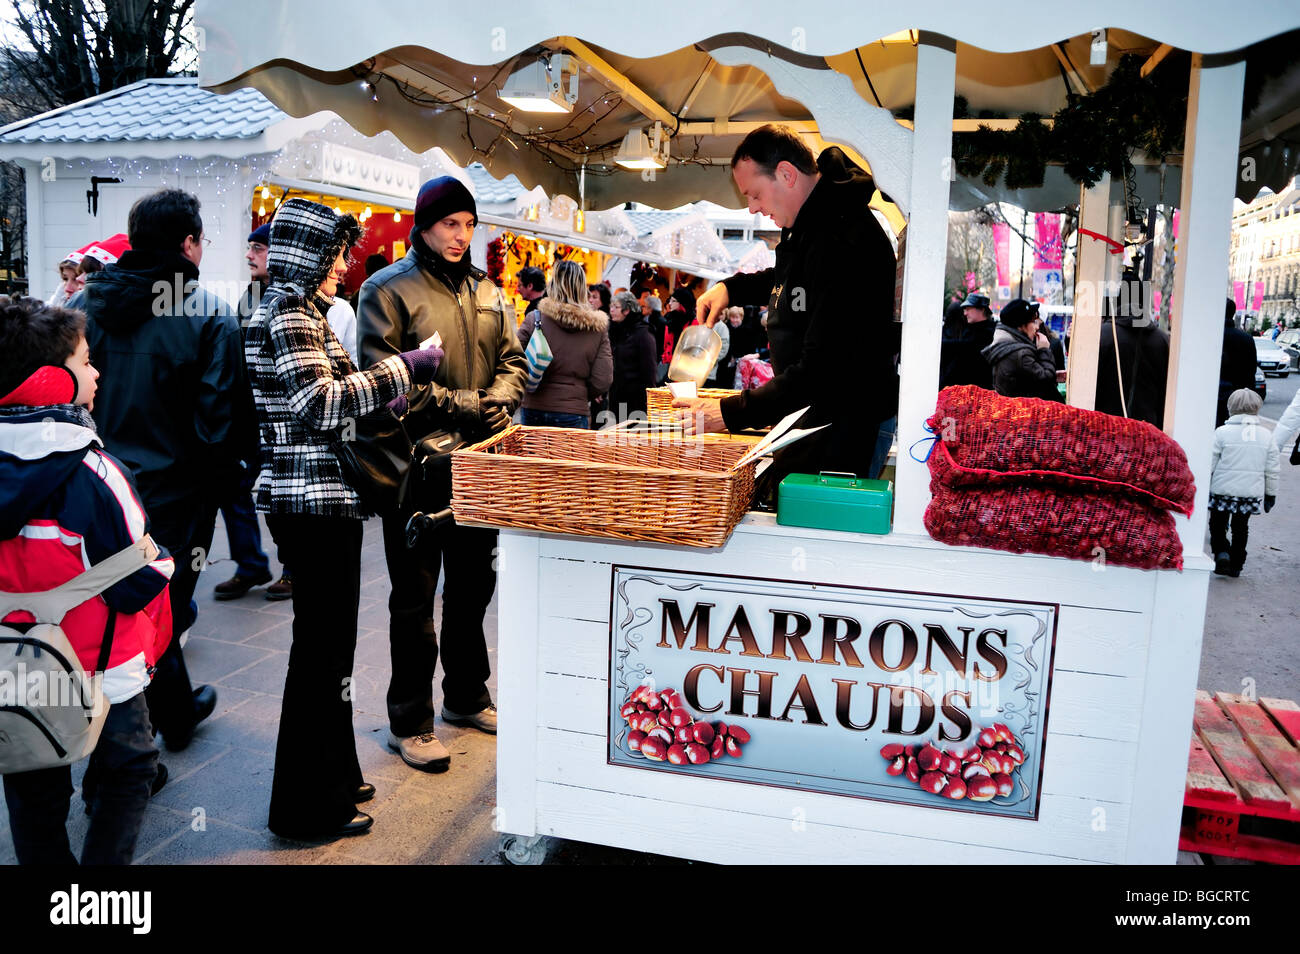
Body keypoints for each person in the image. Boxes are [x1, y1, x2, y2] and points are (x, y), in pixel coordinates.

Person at [245, 197, 443, 839]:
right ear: (308, 255)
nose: (343, 265)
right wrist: (399, 368)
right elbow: (319, 405)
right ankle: (304, 807)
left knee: (330, 654)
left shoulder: (296, 310)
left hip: (319, 500)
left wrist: (391, 388)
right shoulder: (287, 315)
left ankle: (334, 774)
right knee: (320, 655)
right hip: (310, 502)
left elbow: (338, 398)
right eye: (334, 255)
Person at [357, 176, 526, 771]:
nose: (461, 236)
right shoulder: (386, 289)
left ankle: (466, 695)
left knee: (474, 589)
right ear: (424, 225)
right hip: (417, 468)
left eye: (469, 225)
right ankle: (410, 720)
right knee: (413, 599)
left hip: (482, 464)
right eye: (450, 224)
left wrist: (500, 398)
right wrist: (469, 404)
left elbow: (514, 360)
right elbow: (387, 382)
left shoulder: (488, 290)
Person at [0, 295, 175, 864]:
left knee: (32, 778)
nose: (96, 372)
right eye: (84, 362)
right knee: (131, 765)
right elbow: (139, 576)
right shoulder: (94, 470)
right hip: (103, 661)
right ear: (52, 383)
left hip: (14, 665)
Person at [82, 188, 238, 751]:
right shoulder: (210, 314)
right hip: (175, 495)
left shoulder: (86, 308)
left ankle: (169, 714)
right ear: (187, 243)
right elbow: (218, 424)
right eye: (202, 239)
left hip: (95, 487)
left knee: (118, 608)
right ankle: (133, 749)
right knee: (158, 609)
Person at [678, 124, 900, 485]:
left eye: (755, 195)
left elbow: (822, 370)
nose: (752, 208)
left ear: (786, 174)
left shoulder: (843, 238)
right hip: (818, 413)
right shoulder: (813, 224)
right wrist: (731, 290)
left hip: (846, 422)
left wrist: (729, 412)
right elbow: (790, 280)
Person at [215, 222, 278, 602]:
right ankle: (251, 563)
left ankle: (293, 569)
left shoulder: (292, 295)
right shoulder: (250, 296)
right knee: (233, 486)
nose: (248, 255)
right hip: (249, 416)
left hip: (285, 417)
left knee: (283, 495)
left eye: (257, 247)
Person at [517, 260, 612, 428]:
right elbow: (602, 380)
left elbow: (512, 360)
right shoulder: (597, 328)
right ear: (583, 288)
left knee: (532, 455)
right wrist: (577, 393)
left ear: (553, 284)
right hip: (574, 410)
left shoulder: (535, 319)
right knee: (568, 456)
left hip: (534, 406)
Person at [1208, 388, 1279, 577]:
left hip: (1221, 490)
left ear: (1230, 407)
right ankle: (1237, 564)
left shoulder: (1222, 432)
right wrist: (1270, 494)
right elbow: (1272, 468)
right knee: (1241, 528)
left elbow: (1211, 462)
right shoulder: (1266, 435)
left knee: (1217, 523)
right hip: (1249, 493)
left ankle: (1221, 551)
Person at [1095, 296, 1170, 427]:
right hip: (1147, 428)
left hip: (1105, 426)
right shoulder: (1162, 340)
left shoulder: (1102, 335)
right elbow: (1165, 390)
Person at [981, 298, 1062, 401]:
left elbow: (1029, 379)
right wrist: (1044, 350)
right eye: (1033, 321)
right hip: (1028, 413)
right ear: (1021, 326)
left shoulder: (1011, 348)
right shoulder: (1020, 353)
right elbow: (1046, 382)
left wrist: (1052, 373)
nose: (1037, 327)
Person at [605, 289, 658, 423]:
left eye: (616, 307)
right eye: (611, 306)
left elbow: (649, 371)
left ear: (627, 310)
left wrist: (648, 401)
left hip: (635, 400)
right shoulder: (615, 331)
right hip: (616, 395)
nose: (612, 310)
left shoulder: (643, 334)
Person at [939, 293, 996, 390]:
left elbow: (968, 347)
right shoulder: (969, 330)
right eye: (964, 309)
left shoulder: (989, 333)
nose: (965, 313)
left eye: (968, 308)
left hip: (979, 392)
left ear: (981, 309)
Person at [1218, 299, 1258, 427]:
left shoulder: (1211, 336)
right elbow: (1251, 371)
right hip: (1238, 400)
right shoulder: (1246, 338)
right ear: (1233, 313)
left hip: (1213, 397)